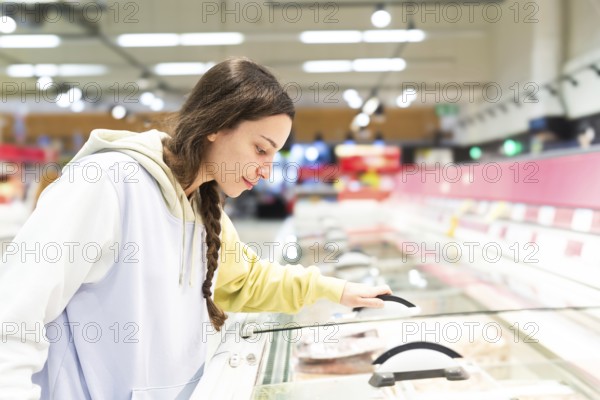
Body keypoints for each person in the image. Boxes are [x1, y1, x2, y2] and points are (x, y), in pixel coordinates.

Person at [0, 57, 391, 399]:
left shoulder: (202, 204)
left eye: (275, 154)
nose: (267, 168)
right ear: (217, 126)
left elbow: (245, 282)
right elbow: (14, 316)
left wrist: (337, 290)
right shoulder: (107, 183)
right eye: (260, 149)